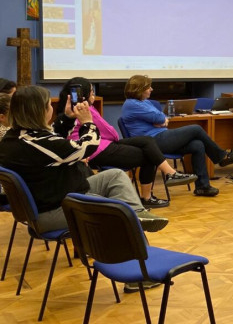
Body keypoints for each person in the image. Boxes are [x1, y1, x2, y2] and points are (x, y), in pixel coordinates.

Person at [0, 85, 168, 234]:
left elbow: (54, 139)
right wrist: (87, 122)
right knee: (119, 209)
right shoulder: (37, 143)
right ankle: (128, 234)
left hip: (55, 199)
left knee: (115, 176)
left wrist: (67, 117)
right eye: (49, 105)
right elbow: (86, 146)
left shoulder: (15, 137)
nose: (51, 108)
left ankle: (137, 215)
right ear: (40, 111)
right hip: (54, 211)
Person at [52, 78, 197, 209]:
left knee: (147, 141)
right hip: (98, 149)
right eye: (91, 91)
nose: (93, 94)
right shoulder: (85, 109)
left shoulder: (67, 112)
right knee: (150, 154)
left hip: (101, 145)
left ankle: (170, 174)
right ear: (84, 94)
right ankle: (148, 197)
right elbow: (111, 133)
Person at [121, 75, 233, 197]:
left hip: (161, 137)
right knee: (196, 129)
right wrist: (161, 120)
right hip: (152, 142)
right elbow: (160, 117)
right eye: (148, 87)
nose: (151, 89)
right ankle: (221, 157)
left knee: (197, 145)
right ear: (139, 89)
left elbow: (163, 116)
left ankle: (203, 187)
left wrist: (161, 120)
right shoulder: (132, 104)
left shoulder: (144, 102)